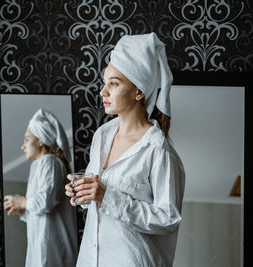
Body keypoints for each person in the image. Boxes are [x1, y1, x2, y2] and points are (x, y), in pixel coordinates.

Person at [65, 32, 186, 267]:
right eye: (104, 83)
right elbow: (95, 191)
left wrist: (106, 196)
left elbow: (169, 219)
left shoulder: (158, 151)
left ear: (138, 91)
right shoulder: (102, 135)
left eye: (114, 83)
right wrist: (81, 192)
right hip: (91, 260)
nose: (103, 92)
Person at [4, 108, 78, 267]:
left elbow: (45, 202)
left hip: (52, 252)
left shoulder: (50, 161)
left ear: (40, 140)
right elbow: (40, 209)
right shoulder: (39, 165)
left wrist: (23, 202)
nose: (22, 146)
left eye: (27, 140)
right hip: (43, 250)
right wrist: (22, 208)